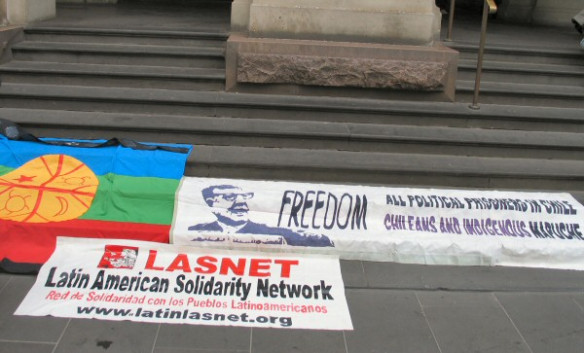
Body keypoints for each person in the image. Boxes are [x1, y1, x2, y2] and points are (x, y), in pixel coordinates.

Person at [189, 184, 334, 247]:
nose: (241, 203)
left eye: (245, 197)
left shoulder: (276, 233)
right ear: (211, 202)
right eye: (230, 197)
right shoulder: (194, 230)